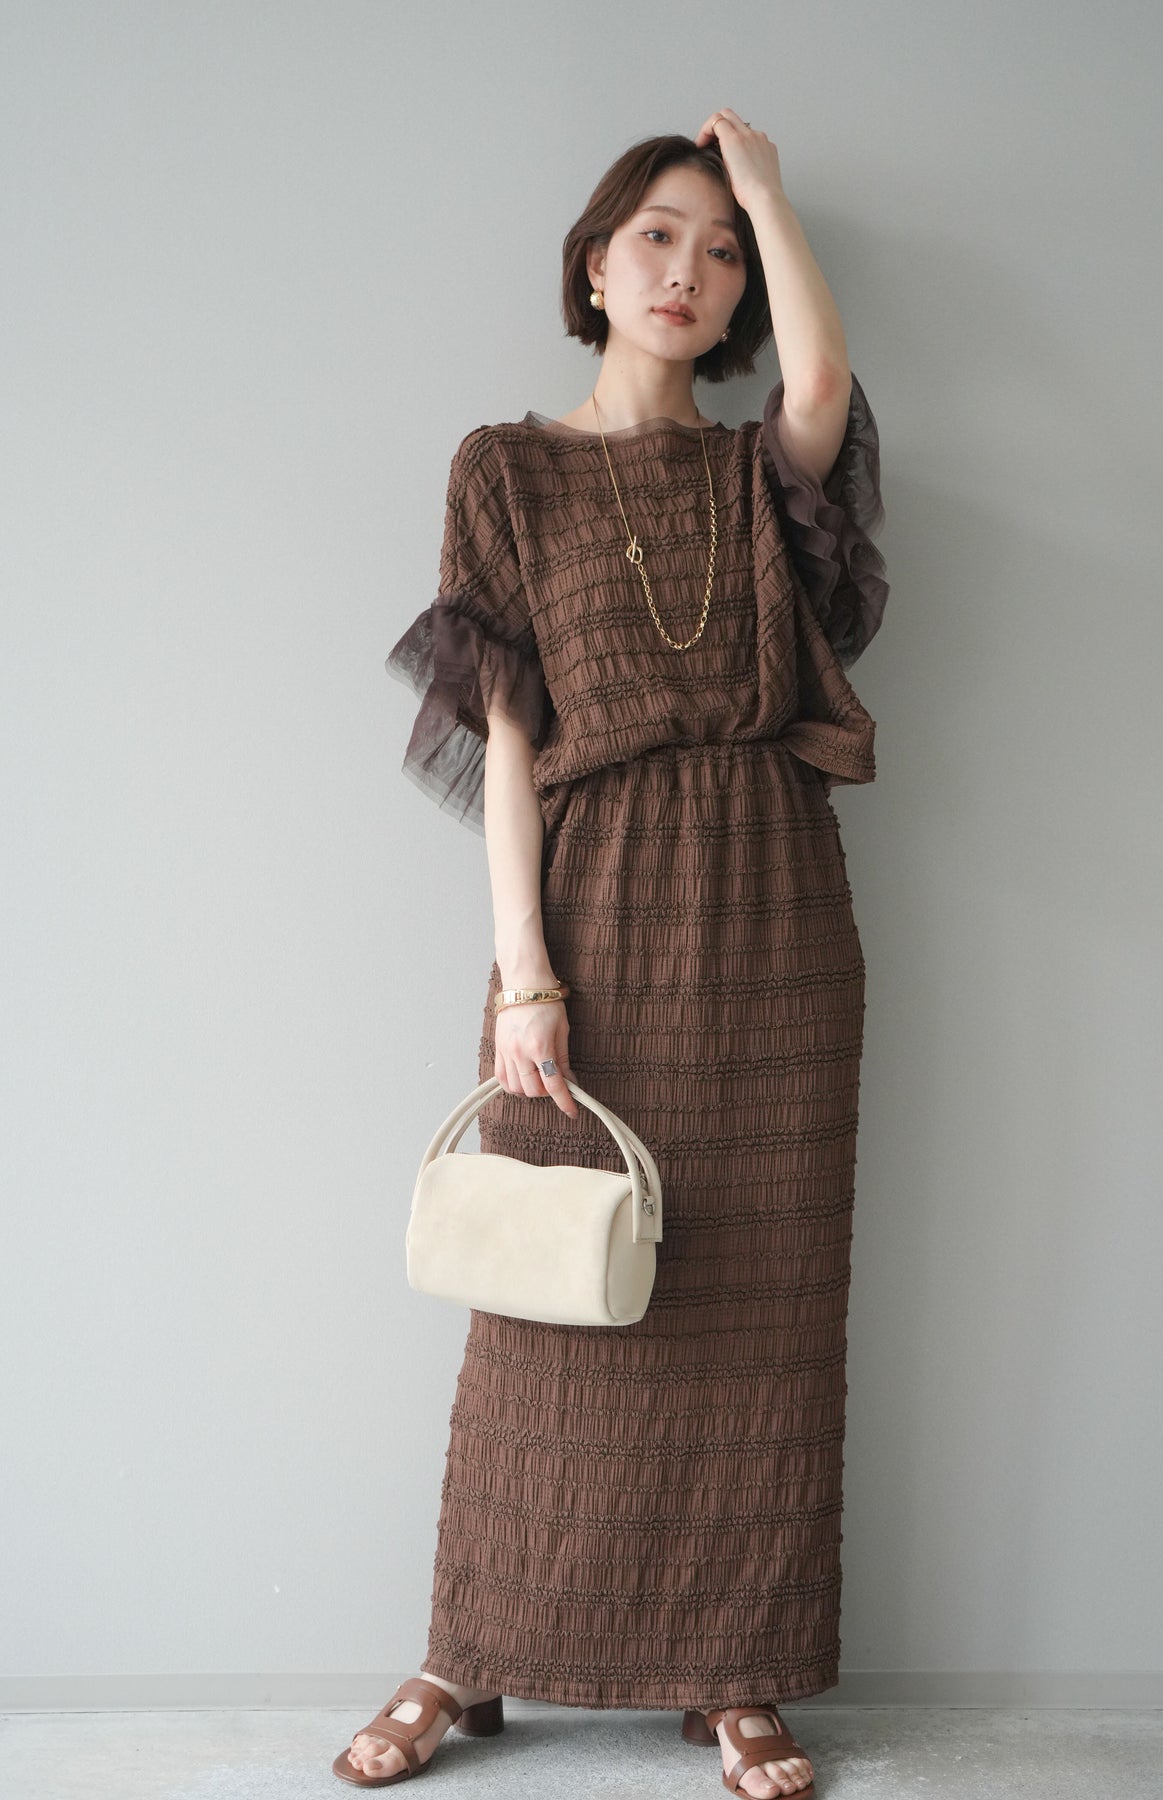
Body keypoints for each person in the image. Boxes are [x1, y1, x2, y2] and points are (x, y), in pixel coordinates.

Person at [335, 108, 889, 1798]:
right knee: (545, 1301)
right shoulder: (502, 470)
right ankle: (468, 1652)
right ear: (592, 264)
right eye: (657, 234)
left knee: (758, 1306)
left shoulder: (756, 472)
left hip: (773, 906)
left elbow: (820, 386)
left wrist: (768, 193)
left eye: (719, 252)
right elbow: (506, 738)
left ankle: (734, 1670)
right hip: (590, 901)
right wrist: (525, 973)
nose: (687, 271)